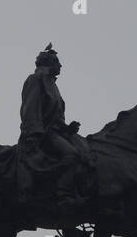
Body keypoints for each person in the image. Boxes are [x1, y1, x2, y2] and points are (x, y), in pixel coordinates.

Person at [17, 44, 96, 210]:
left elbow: (54, 116)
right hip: (42, 134)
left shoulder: (51, 83)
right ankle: (63, 197)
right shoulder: (35, 79)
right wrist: (34, 135)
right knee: (72, 155)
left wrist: (68, 128)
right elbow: (30, 108)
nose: (60, 66)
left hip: (57, 132)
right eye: (57, 62)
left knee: (87, 154)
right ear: (49, 63)